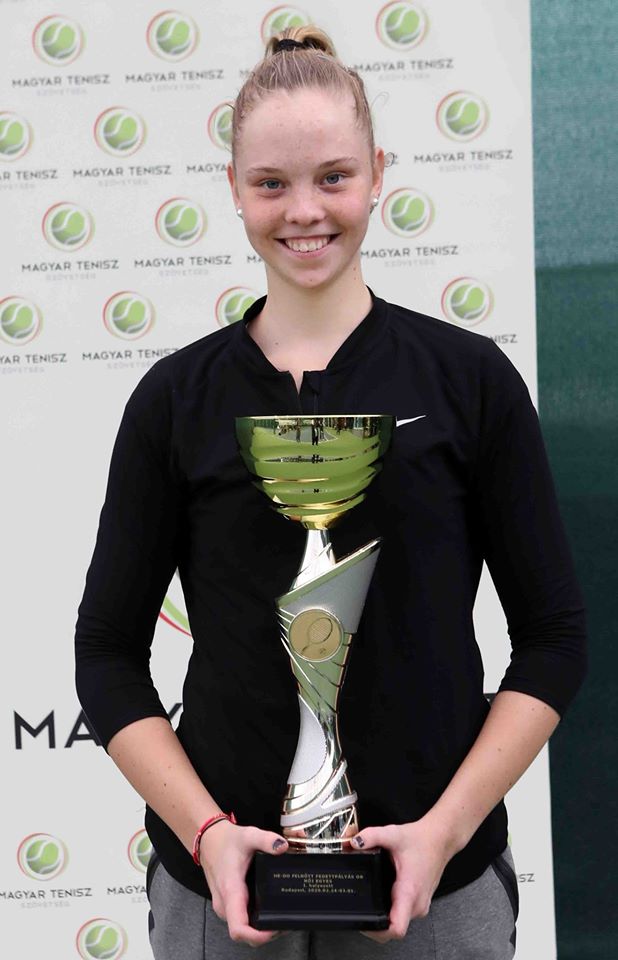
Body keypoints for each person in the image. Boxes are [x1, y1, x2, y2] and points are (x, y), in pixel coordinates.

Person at [75, 25, 587, 960]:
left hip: (438, 891)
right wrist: (206, 834)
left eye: (334, 177)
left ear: (379, 173)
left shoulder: (469, 382)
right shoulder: (175, 400)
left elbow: (554, 640)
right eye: (272, 183)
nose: (304, 211)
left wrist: (445, 831)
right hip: (222, 897)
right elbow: (106, 653)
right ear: (234, 188)